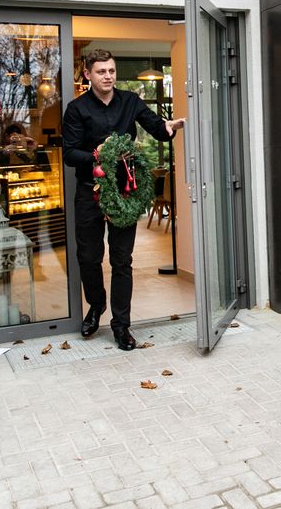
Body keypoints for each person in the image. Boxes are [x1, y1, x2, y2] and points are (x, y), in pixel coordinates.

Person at [63, 49, 185, 350]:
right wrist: (97, 157)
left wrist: (168, 128)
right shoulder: (76, 109)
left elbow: (157, 128)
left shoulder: (130, 101)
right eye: (102, 71)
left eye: (112, 71)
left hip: (125, 192)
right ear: (88, 75)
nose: (108, 76)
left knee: (122, 260)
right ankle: (96, 305)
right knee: (88, 257)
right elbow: (69, 154)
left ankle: (121, 325)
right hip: (90, 189)